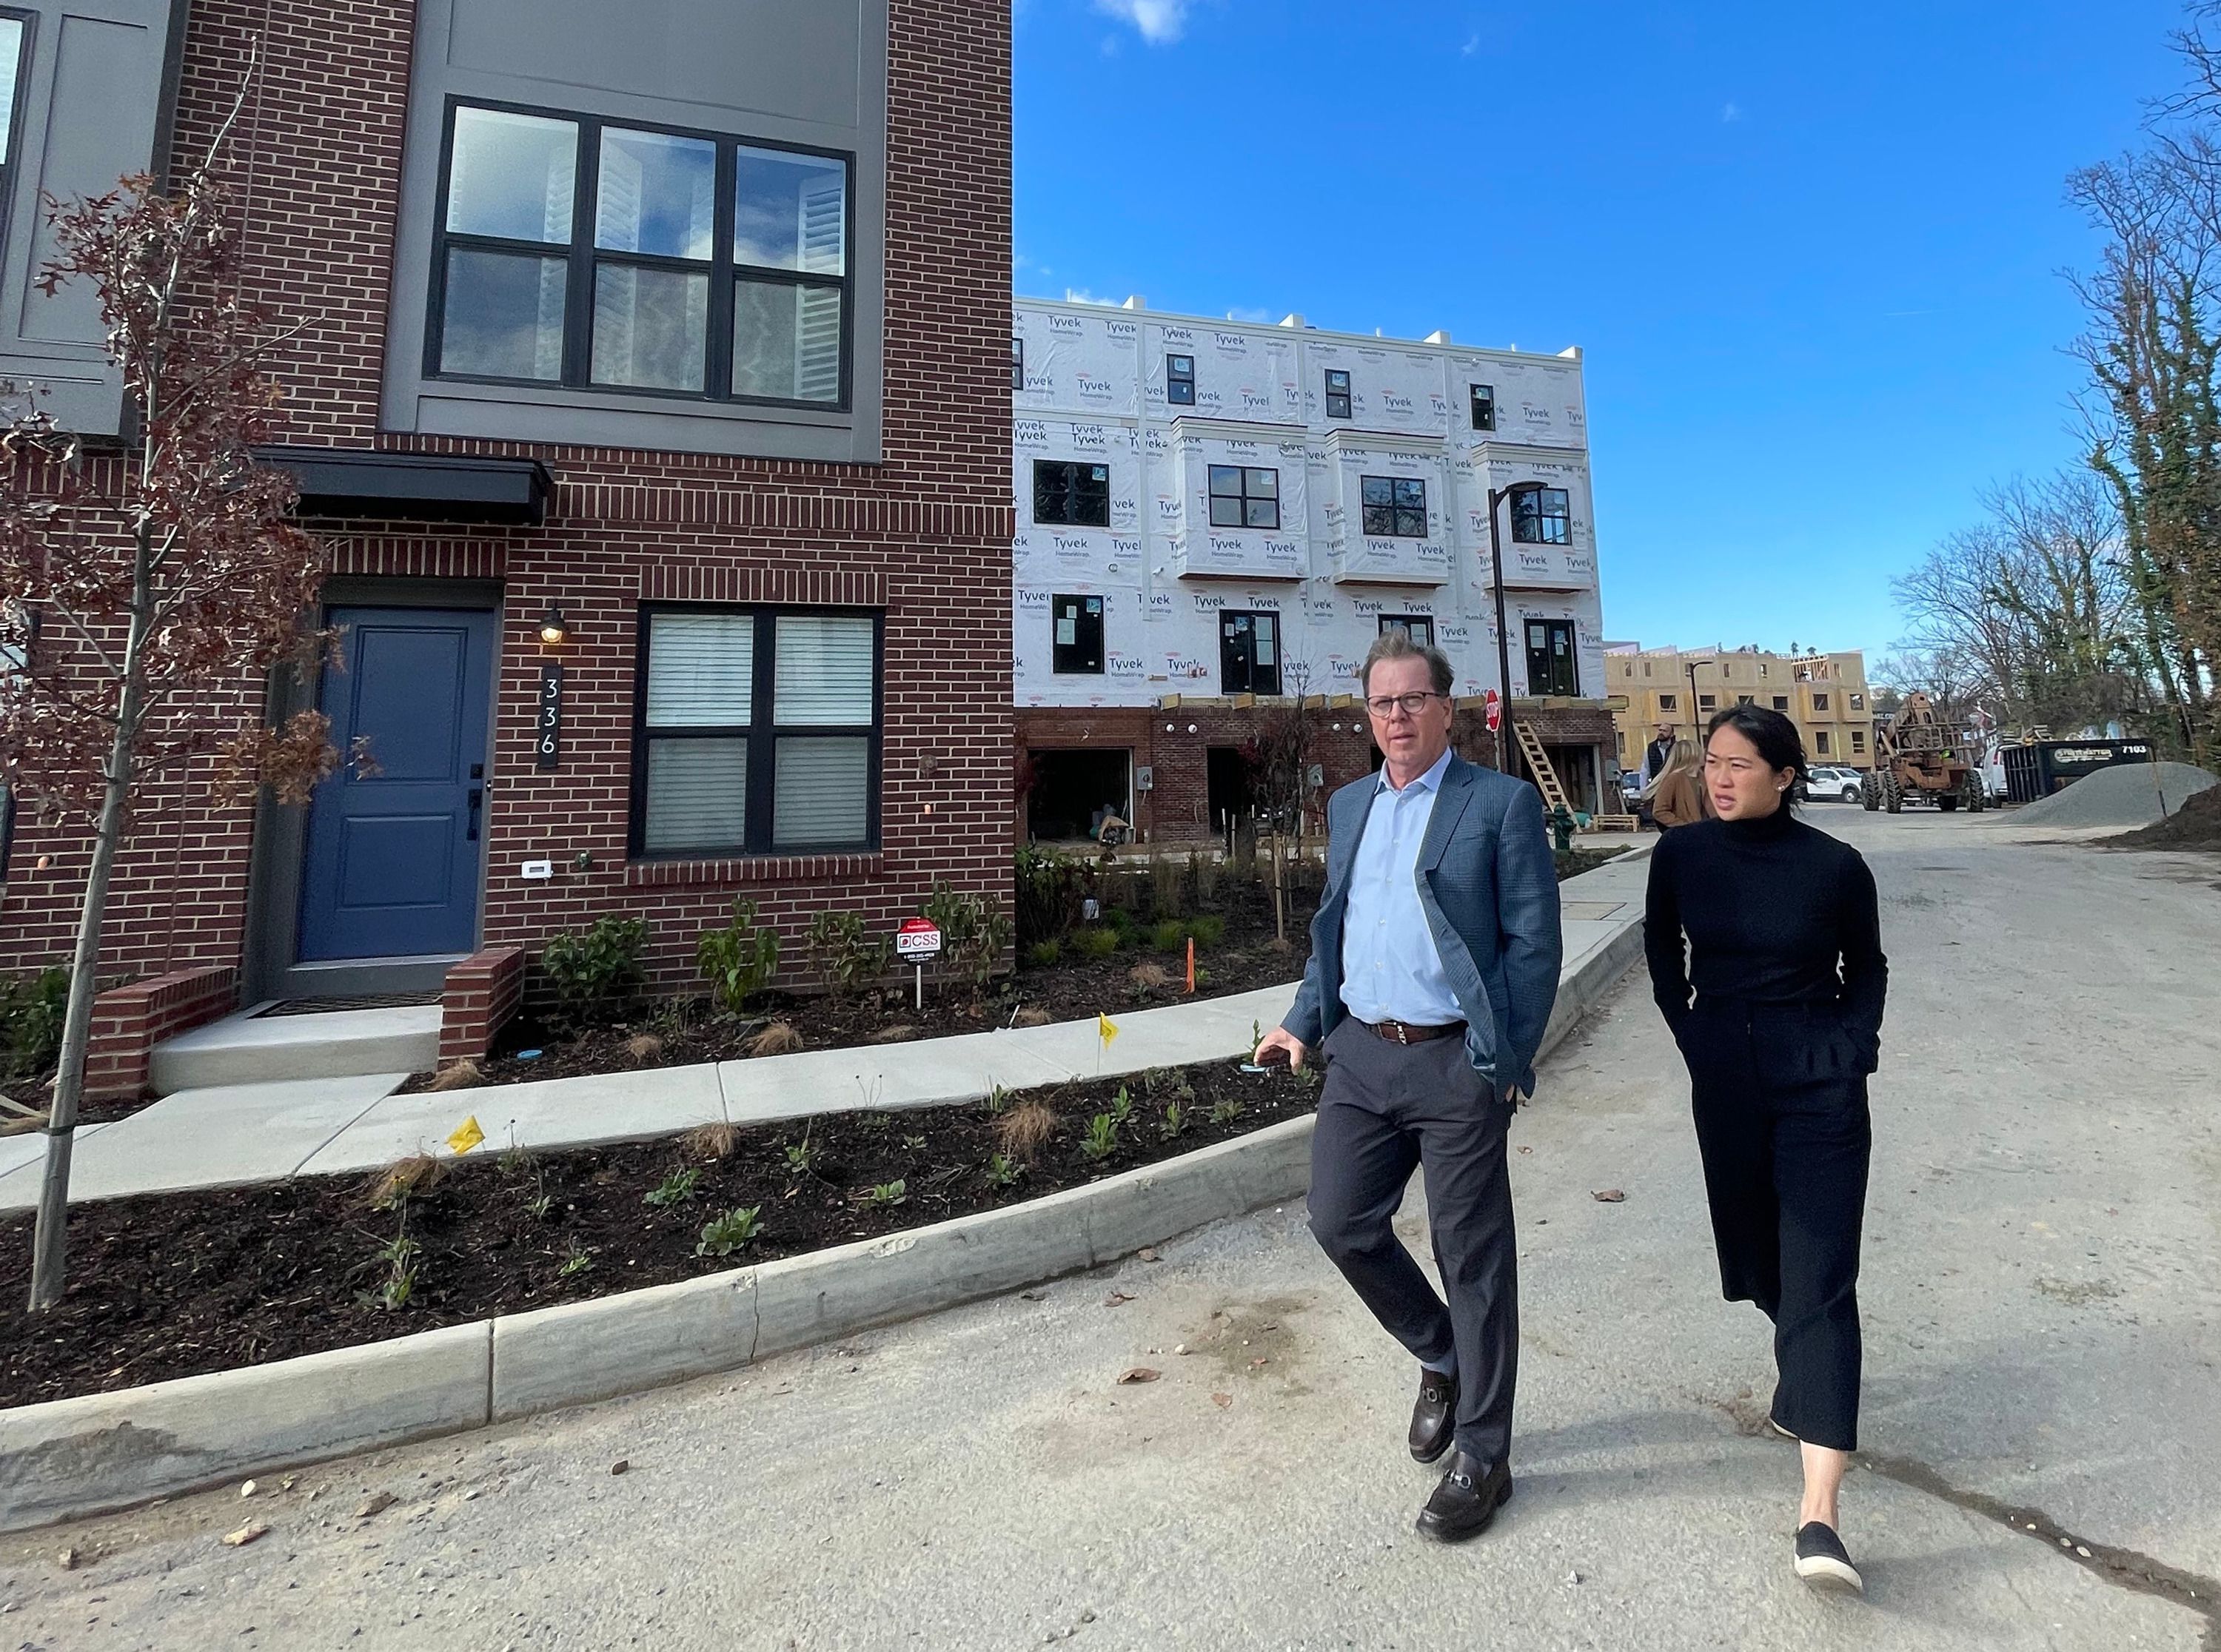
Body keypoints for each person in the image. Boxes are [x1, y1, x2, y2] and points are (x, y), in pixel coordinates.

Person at [1255, 631, 1561, 1543]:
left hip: (1453, 1058)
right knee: (1339, 1218)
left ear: (1444, 708)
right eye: (1381, 704)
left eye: (1411, 700)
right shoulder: (1350, 804)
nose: (1395, 717)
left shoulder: (1498, 804)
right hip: (1360, 1052)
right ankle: (1441, 1353)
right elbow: (1336, 932)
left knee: (1473, 1254)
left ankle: (1485, 1454)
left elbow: (1532, 946)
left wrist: (1504, 1063)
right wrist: (1302, 1023)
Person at [1643, 705, 1887, 1593]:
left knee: (1821, 1275)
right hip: (1728, 1077)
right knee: (1757, 1257)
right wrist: (1693, 1034)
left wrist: (1853, 1042)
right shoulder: (1682, 857)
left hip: (1819, 1077)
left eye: (1740, 765)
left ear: (1786, 776)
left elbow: (1868, 965)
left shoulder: (1834, 866)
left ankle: (1819, 1515)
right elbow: (1661, 952)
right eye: (1712, 762)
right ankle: (1806, 1379)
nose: (1719, 778)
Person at [1643, 738, 1708, 830]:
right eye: (1699, 750)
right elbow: (1660, 811)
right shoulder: (1674, 778)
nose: (1703, 753)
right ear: (1692, 754)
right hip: (1688, 836)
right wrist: (1684, 826)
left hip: (1705, 833)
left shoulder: (1703, 777)